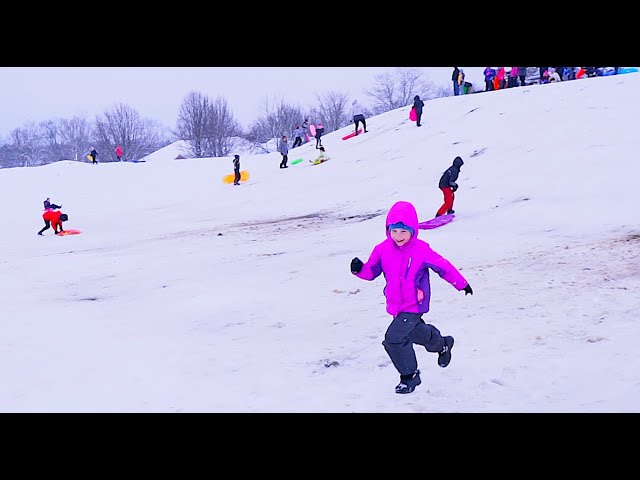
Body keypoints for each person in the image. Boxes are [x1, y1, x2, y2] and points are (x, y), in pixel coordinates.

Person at [350, 200, 473, 394]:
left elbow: (444, 267)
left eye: (403, 231)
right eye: (394, 231)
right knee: (417, 334)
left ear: (413, 230)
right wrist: (359, 269)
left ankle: (410, 376)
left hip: (414, 304)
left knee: (394, 338)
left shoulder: (421, 250)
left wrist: (461, 283)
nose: (398, 236)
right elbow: (371, 271)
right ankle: (442, 344)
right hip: (396, 305)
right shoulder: (382, 249)